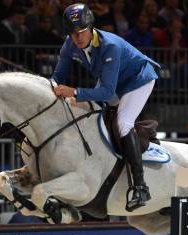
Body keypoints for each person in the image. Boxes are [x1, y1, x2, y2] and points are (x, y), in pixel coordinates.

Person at [51, 3, 160, 212]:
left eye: (81, 32)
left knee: (123, 123)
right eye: (73, 33)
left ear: (90, 27)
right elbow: (57, 77)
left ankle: (140, 186)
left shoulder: (110, 45)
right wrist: (49, 89)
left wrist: (74, 92)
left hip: (138, 80)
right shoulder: (69, 44)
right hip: (113, 80)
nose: (78, 38)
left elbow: (108, 92)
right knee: (88, 112)